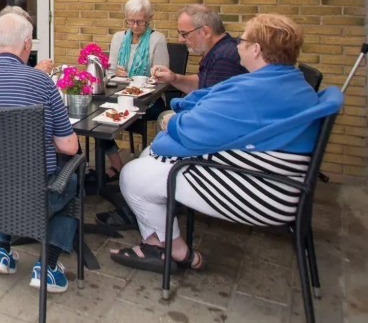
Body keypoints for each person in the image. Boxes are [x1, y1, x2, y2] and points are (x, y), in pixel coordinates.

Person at [110, 14, 333, 275]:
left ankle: (170, 248)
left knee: (133, 174)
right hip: (276, 182)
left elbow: (192, 131)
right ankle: (159, 238)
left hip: (262, 192)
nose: (237, 45)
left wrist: (170, 123)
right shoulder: (286, 81)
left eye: (242, 41)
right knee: (148, 158)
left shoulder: (255, 91)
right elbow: (212, 105)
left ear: (256, 49)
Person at [0, 13, 79, 293]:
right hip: (31, 196)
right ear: (27, 43)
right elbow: (69, 146)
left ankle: (0, 249)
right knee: (72, 178)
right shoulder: (40, 82)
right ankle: (48, 266)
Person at [103, 0, 170, 178]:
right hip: (120, 94)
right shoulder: (118, 37)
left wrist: (144, 79)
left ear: (149, 19)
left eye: (140, 22)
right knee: (96, 118)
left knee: (116, 114)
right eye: (130, 21)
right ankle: (115, 162)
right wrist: (116, 72)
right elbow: (109, 72)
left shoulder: (157, 39)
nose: (134, 26)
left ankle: (146, 169)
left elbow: (162, 78)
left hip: (149, 99)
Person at [150, 4, 247, 93]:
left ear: (206, 32)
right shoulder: (219, 49)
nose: (180, 40)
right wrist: (174, 78)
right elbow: (201, 83)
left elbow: (212, 103)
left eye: (184, 34)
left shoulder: (224, 59)